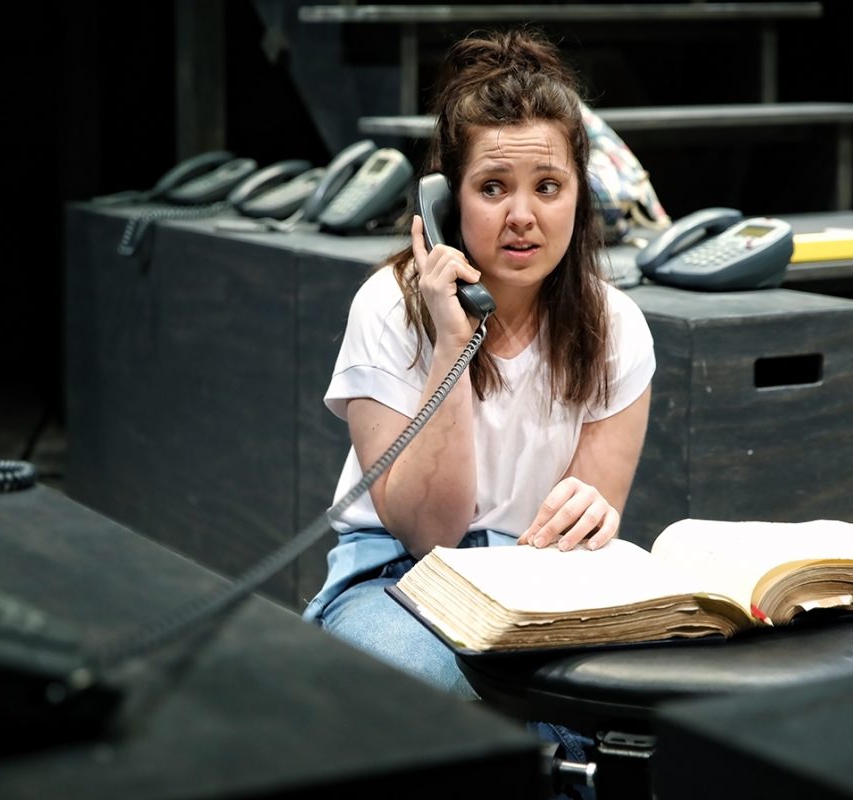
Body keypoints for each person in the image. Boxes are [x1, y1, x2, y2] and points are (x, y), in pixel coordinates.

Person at [301, 26, 655, 773]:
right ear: (445, 201)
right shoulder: (388, 307)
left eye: (547, 187)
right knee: (455, 687)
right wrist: (449, 336)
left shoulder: (616, 326)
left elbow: (581, 523)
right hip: (396, 575)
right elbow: (431, 528)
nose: (521, 215)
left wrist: (594, 514)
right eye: (492, 187)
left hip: (538, 582)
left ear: (577, 196)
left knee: (650, 686)